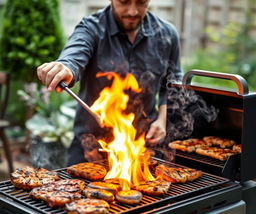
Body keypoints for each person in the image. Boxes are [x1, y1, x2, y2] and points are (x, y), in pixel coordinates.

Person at [37, 0, 183, 165]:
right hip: (91, 149)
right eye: (124, 1)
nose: (133, 11)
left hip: (142, 149)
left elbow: (173, 83)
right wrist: (66, 67)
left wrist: (162, 120)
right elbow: (74, 55)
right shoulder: (91, 28)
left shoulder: (167, 34)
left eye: (141, 2)